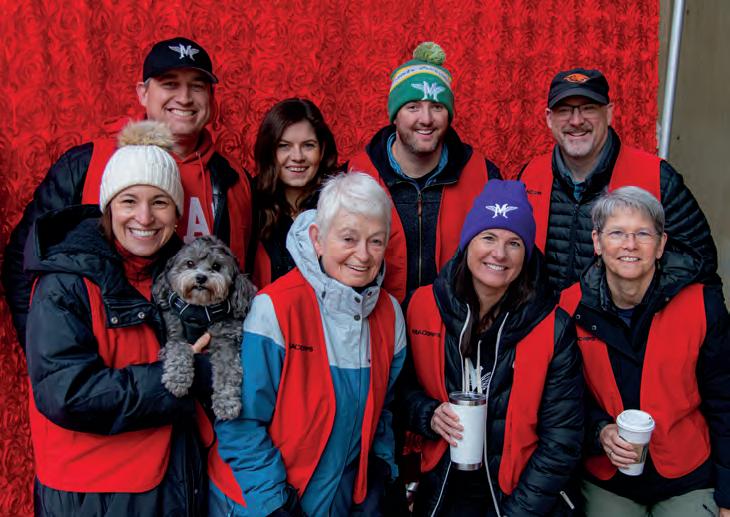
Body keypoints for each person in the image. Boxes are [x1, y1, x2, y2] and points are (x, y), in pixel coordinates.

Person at [2, 36, 253, 352]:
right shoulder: (88, 163)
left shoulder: (235, 179)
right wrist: (49, 352)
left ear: (212, 97)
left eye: (197, 86)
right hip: (104, 361)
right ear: (143, 93)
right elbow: (24, 262)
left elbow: (244, 277)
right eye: (170, 84)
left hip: (200, 365)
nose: (184, 97)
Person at [23, 121, 210, 516]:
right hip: (94, 494)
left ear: (177, 213)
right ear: (108, 208)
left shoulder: (185, 277)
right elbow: (67, 394)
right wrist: (184, 376)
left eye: (159, 202)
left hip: (171, 478)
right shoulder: (64, 284)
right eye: (129, 201)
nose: (144, 216)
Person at [207, 172, 407, 516]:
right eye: (348, 238)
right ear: (318, 238)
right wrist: (274, 504)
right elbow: (240, 423)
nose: (363, 255)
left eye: (375, 241)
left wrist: (380, 470)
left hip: (335, 502)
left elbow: (383, 411)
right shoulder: (275, 308)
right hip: (256, 502)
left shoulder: (389, 314)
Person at [403, 180, 584, 516]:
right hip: (443, 490)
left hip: (516, 496)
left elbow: (562, 441)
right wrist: (429, 414)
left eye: (514, 243)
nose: (499, 253)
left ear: (527, 254)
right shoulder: (423, 306)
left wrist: (518, 512)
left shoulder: (553, 327)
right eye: (488, 237)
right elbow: (399, 392)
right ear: (467, 242)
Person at [559, 187, 730, 516]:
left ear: (661, 244)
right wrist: (599, 431)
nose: (630, 244)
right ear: (597, 242)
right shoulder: (570, 306)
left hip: (687, 474)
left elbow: (725, 400)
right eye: (617, 233)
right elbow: (562, 399)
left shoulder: (701, 303)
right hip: (608, 477)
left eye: (643, 234)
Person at [519, 68, 718, 293]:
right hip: (548, 316)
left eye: (588, 108)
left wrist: (632, 297)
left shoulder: (656, 176)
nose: (576, 120)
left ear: (609, 113)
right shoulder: (530, 175)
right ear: (549, 118)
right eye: (564, 110)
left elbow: (700, 261)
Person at [348, 41, 501, 303]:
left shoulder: (484, 176)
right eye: (413, 107)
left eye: (437, 107)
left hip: (454, 321)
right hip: (375, 319)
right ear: (395, 115)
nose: (426, 119)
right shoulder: (356, 175)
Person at [250, 97, 339, 288]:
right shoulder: (248, 201)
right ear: (269, 151)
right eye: (284, 146)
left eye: (308, 145)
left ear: (322, 150)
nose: (297, 157)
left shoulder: (341, 203)